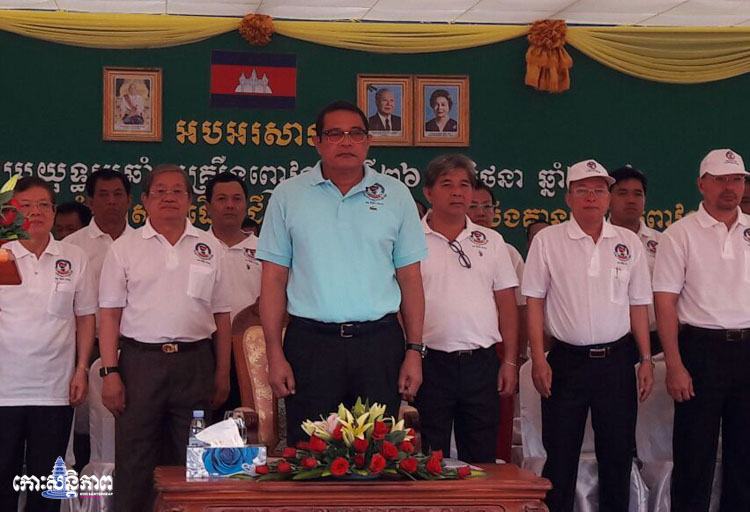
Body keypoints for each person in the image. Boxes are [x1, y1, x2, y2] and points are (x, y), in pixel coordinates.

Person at [257, 100, 427, 446]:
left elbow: (410, 279)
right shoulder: (288, 195)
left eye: (356, 134)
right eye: (335, 134)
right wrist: (274, 353)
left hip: (378, 344)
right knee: (310, 455)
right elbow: (273, 280)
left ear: (368, 142)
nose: (346, 142)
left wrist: (414, 350)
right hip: (311, 345)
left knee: (376, 454)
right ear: (317, 142)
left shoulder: (396, 195)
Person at [98, 164, 232, 512]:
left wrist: (222, 372)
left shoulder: (210, 246)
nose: (169, 197)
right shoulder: (124, 248)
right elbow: (109, 314)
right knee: (135, 458)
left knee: (194, 458)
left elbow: (222, 315)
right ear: (144, 200)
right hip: (140, 363)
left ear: (190, 200)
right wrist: (110, 372)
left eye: (177, 191)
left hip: (196, 362)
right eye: (160, 191)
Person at [523, 159, 654, 512]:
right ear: (568, 197)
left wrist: (645, 359)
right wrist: (538, 359)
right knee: (560, 455)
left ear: (608, 198)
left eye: (599, 190)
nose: (591, 197)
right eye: (582, 190)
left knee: (618, 454)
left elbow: (638, 304)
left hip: (617, 361)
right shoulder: (548, 241)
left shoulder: (628, 242)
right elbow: (533, 302)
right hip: (567, 362)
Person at [653, 148, 750, 511]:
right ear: (701, 184)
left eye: (737, 179)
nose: (730, 187)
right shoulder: (680, 234)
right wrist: (674, 364)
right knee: (694, 454)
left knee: (745, 455)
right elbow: (665, 302)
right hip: (700, 350)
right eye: (721, 179)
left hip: (747, 349)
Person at [0, 177, 96, 512]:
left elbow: (85, 316)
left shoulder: (74, 257)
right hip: (4, 390)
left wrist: (81, 369)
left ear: (53, 213)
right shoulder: (2, 255)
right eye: (25, 206)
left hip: (54, 389)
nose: (35, 212)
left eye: (43, 205)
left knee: (45, 486)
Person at [416, 154, 519, 463]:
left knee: (481, 459)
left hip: (481, 364)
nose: (457, 192)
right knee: (428, 459)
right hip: (428, 362)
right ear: (428, 192)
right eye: (447, 184)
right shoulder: (410, 240)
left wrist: (509, 361)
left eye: (464, 185)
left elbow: (507, 304)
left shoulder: (492, 240)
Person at [63, 169, 133, 471]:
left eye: (118, 194)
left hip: (132, 347)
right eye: (103, 195)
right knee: (83, 425)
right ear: (90, 201)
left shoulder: (144, 241)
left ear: (130, 200)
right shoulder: (73, 247)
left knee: (128, 423)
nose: (112, 201)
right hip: (86, 346)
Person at [205, 172, 261, 412]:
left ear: (247, 205)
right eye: (222, 199)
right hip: (204, 350)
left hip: (252, 351)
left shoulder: (265, 249)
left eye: (237, 199)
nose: (230, 205)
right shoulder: (195, 246)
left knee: (250, 422)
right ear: (207, 207)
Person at [608, 166, 662, 355]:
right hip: (612, 341)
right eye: (622, 193)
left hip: (657, 340)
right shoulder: (594, 241)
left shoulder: (662, 242)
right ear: (608, 198)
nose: (631, 200)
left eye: (637, 194)